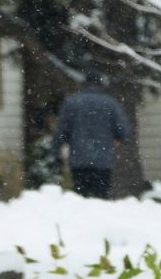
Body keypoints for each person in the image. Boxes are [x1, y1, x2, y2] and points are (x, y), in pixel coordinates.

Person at [52, 71, 131, 199]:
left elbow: (61, 131)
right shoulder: (110, 104)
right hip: (103, 160)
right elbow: (123, 130)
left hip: (79, 159)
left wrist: (57, 151)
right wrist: (119, 139)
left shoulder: (72, 103)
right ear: (100, 85)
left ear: (84, 84)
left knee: (81, 198)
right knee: (101, 197)